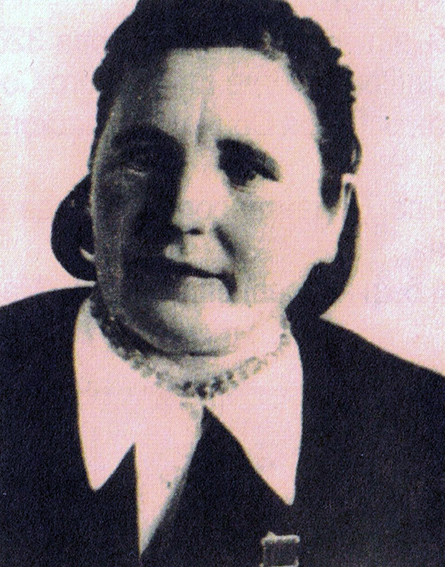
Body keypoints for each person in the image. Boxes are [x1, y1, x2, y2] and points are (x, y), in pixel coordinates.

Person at [1, 0, 444, 565]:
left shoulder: (427, 434)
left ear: (331, 215)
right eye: (143, 158)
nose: (184, 211)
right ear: (92, 187)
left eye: (246, 168)